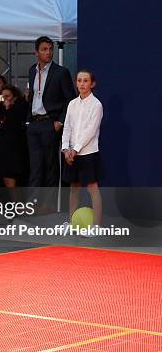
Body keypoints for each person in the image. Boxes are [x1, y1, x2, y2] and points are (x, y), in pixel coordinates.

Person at [27, 36, 76, 208]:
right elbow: (33, 96)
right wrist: (28, 121)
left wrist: (60, 122)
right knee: (35, 166)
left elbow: (70, 100)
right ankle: (32, 205)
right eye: (44, 49)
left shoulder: (61, 72)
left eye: (50, 49)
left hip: (50, 122)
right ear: (36, 52)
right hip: (34, 123)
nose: (48, 52)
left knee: (50, 165)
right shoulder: (32, 70)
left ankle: (48, 205)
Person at [61, 70, 104, 233]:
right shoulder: (72, 104)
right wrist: (66, 149)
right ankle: (72, 223)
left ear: (92, 84)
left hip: (88, 153)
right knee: (73, 187)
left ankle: (96, 226)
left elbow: (90, 131)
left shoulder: (96, 105)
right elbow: (67, 127)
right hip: (72, 153)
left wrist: (76, 149)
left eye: (86, 81)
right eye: (79, 80)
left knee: (92, 187)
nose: (82, 84)